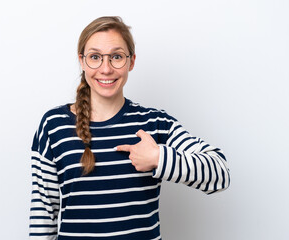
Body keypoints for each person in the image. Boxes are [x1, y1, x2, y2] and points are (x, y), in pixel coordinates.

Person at [29, 16, 230, 240]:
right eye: (95, 57)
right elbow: (43, 215)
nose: (106, 69)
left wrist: (159, 158)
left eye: (116, 57)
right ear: (82, 61)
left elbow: (220, 173)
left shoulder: (155, 123)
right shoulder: (53, 125)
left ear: (131, 62)